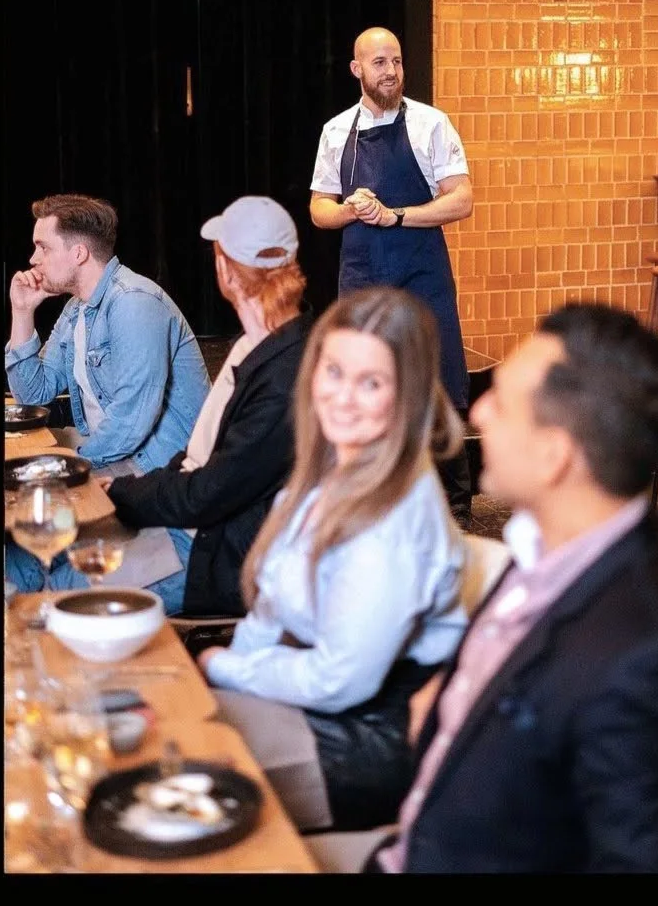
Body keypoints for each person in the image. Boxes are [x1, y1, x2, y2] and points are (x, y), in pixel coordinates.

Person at [306, 302, 658, 873]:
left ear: (555, 456)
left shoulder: (640, 654)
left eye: (501, 400)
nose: (478, 409)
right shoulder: (545, 544)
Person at [195, 286, 470, 832]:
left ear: (408, 395)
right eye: (334, 372)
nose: (342, 397)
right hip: (321, 701)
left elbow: (340, 681)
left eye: (371, 383)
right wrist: (227, 672)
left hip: (367, 741)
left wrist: (225, 668)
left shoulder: (391, 518)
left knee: (169, 783)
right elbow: (270, 610)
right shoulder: (329, 469)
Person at [100, 195, 313, 617]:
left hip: (219, 558)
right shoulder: (260, 345)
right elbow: (200, 457)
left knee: (52, 578)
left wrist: (120, 492)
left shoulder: (289, 377)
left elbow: (205, 495)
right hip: (200, 530)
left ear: (226, 272)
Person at [309, 26, 475, 529]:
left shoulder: (431, 124)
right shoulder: (337, 131)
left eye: (397, 62)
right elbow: (319, 208)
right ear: (357, 69)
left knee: (438, 381)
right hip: (362, 275)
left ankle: (453, 506)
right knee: (363, 382)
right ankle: (372, 497)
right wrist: (352, 212)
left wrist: (395, 215)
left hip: (421, 272)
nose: (392, 72)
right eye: (380, 63)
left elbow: (461, 199)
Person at [5, 193, 210, 591]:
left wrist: (61, 468)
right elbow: (34, 395)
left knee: (54, 583)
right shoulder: (78, 309)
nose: (33, 259)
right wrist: (22, 313)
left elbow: (131, 422)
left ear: (78, 253)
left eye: (42, 247)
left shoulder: (133, 302)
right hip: (118, 472)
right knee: (18, 560)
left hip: (163, 493)